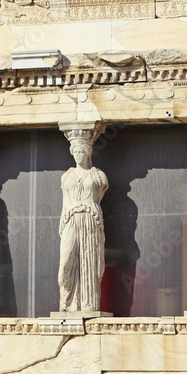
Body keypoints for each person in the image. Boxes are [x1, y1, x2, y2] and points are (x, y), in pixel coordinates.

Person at [58, 134, 109, 312]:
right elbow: (65, 202)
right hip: (71, 219)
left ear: (88, 153)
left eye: (81, 151)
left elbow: (99, 197)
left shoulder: (99, 176)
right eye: (75, 152)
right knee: (66, 260)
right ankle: (67, 302)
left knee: (90, 261)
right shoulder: (66, 177)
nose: (77, 155)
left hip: (90, 219)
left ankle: (88, 304)